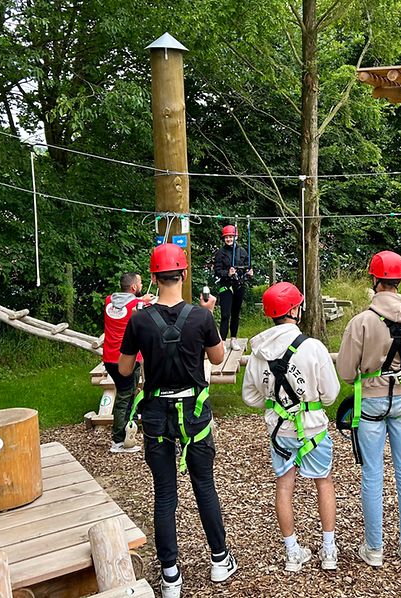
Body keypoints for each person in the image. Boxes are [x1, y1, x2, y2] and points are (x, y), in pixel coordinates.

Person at [118, 244, 236, 597]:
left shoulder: (139, 319)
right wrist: (209, 315)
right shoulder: (200, 317)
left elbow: (124, 368)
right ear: (183, 275)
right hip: (194, 413)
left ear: (153, 277)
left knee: (165, 493)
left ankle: (170, 575)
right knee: (204, 486)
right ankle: (219, 559)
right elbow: (217, 358)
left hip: (156, 413)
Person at [337, 250, 401, 570]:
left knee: (372, 474)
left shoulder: (362, 321)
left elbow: (347, 373)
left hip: (371, 402)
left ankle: (375, 548)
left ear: (375, 280)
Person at [242, 282, 340, 572]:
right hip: (313, 428)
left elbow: (249, 396)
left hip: (280, 431)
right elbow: (331, 394)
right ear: (295, 309)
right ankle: (329, 549)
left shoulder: (259, 352)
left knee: (284, 485)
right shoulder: (313, 348)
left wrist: (274, 404)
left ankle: (292, 551)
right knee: (324, 482)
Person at [102, 272, 152, 453]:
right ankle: (119, 441)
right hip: (128, 359)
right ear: (133, 288)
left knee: (126, 394)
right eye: (140, 283)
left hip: (109, 359)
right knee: (125, 397)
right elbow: (145, 305)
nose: (141, 285)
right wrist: (145, 300)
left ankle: (125, 431)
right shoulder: (137, 304)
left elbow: (126, 301)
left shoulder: (109, 301)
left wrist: (141, 299)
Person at [213, 224, 253, 351]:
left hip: (239, 285)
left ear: (236, 237)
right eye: (227, 237)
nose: (229, 239)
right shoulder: (220, 253)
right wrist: (227, 273)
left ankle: (233, 339)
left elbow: (248, 266)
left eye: (231, 237)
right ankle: (222, 342)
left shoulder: (242, 252)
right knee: (225, 314)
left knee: (236, 314)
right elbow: (217, 271)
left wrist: (250, 273)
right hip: (226, 286)